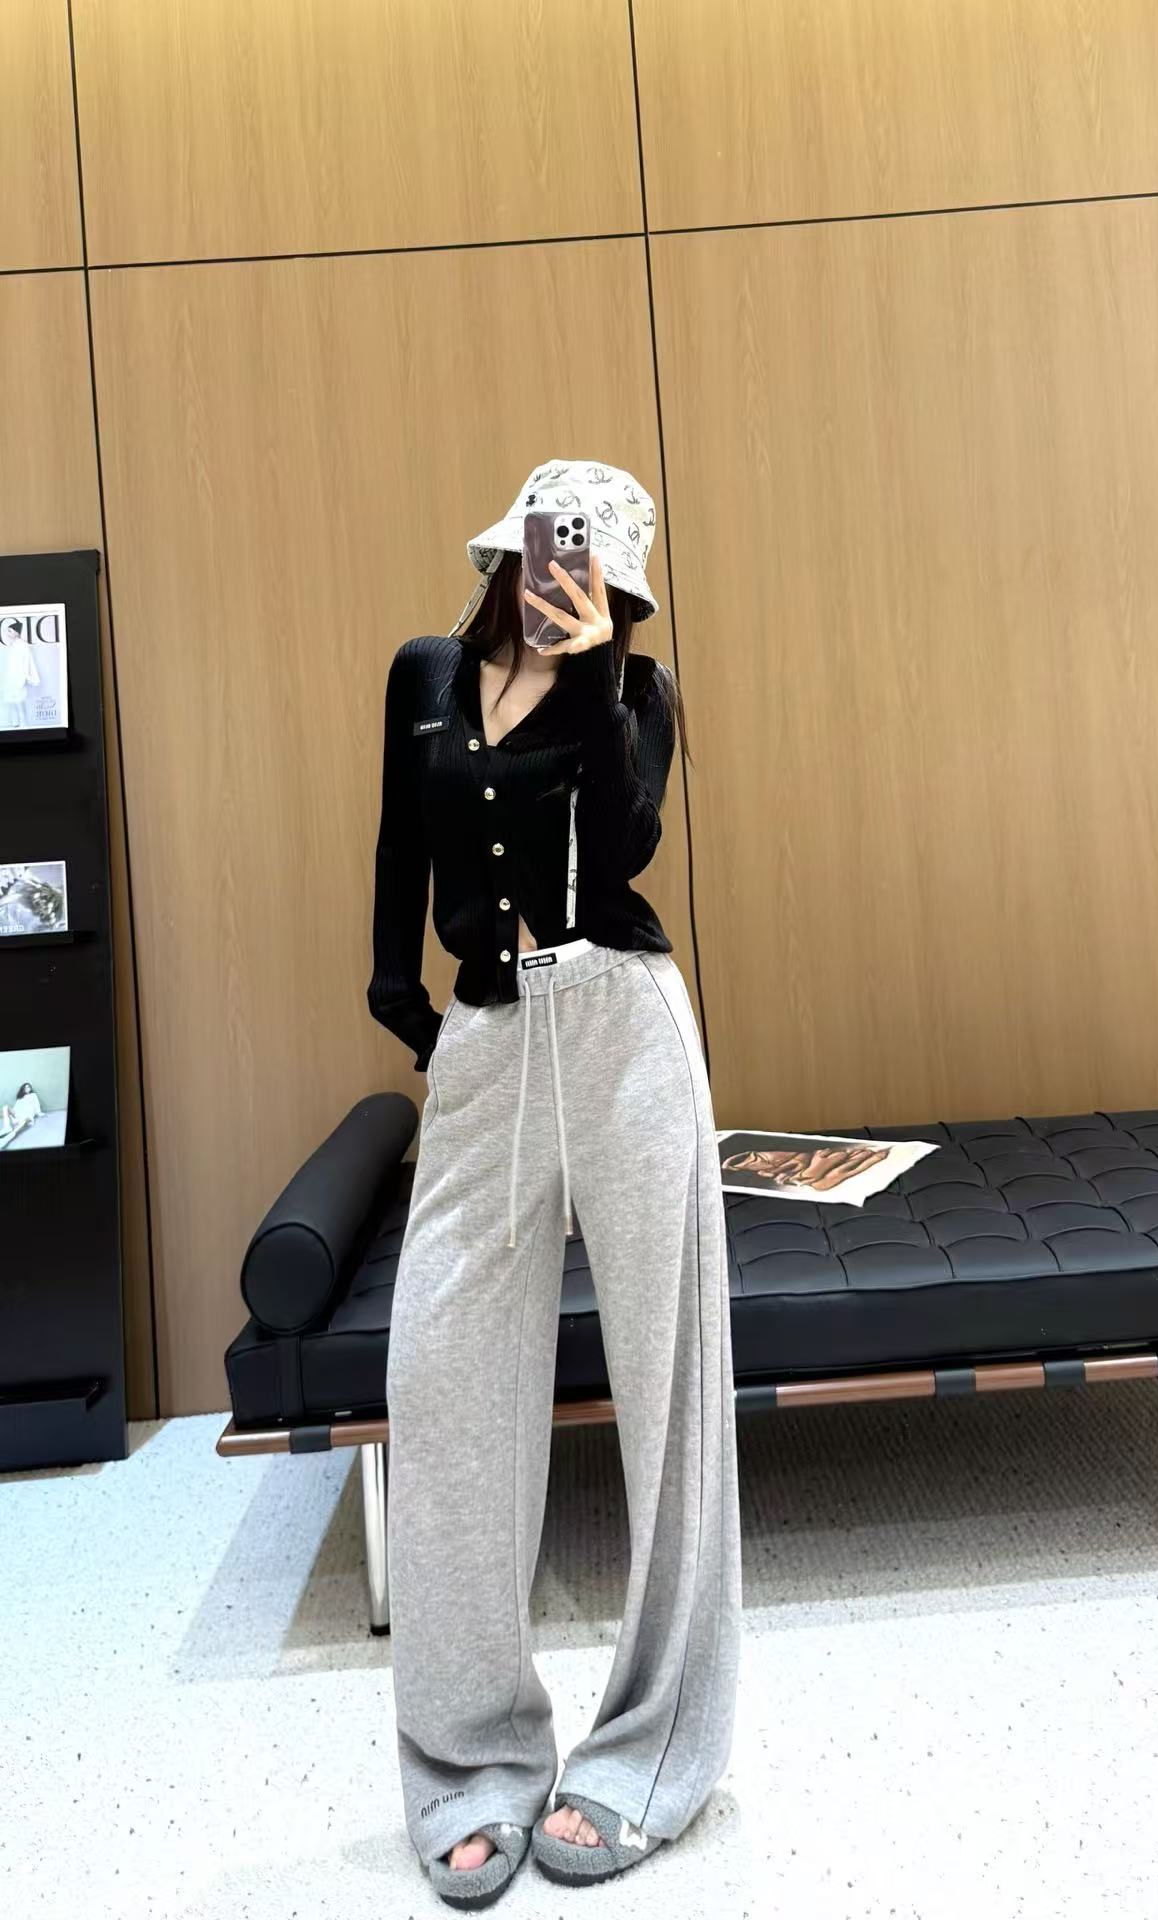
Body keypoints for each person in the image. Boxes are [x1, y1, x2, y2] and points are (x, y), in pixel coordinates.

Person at [368, 460, 742, 1906]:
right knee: (445, 1379)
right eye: (548, 551)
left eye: (597, 566)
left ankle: (651, 1754)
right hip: (487, 1036)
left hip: (623, 1030)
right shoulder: (423, 675)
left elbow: (628, 843)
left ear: (623, 583)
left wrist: (590, 673)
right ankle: (471, 1758)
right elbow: (401, 847)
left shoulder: (636, 697)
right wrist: (415, 1014)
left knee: (669, 1386)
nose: (565, 579)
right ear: (507, 552)